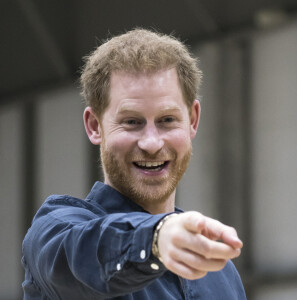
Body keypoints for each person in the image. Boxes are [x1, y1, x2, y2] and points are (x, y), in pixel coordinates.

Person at [22, 28, 246, 299]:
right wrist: (156, 239)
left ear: (193, 120)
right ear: (94, 126)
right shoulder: (55, 235)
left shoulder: (221, 274)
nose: (151, 143)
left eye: (167, 120)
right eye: (131, 122)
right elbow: (83, 253)